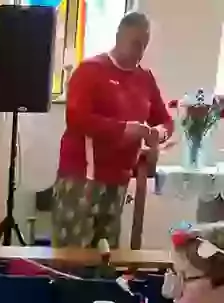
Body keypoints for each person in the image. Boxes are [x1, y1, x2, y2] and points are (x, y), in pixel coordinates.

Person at [52, 11, 174, 248]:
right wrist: (125, 130)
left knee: (106, 258)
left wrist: (157, 134)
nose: (139, 52)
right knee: (74, 258)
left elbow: (166, 121)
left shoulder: (144, 79)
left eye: (144, 46)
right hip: (82, 179)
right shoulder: (91, 70)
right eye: (135, 44)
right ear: (119, 36)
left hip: (117, 182)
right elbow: (77, 118)